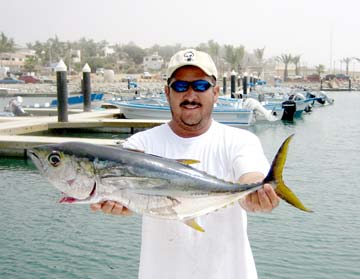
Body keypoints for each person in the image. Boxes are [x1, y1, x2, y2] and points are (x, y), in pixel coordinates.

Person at [91, 49, 280, 279]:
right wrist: (118, 202)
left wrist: (254, 194)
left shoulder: (240, 141)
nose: (190, 95)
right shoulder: (139, 146)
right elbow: (125, 190)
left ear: (216, 92)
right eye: (181, 86)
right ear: (167, 93)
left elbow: (250, 175)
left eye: (201, 86)